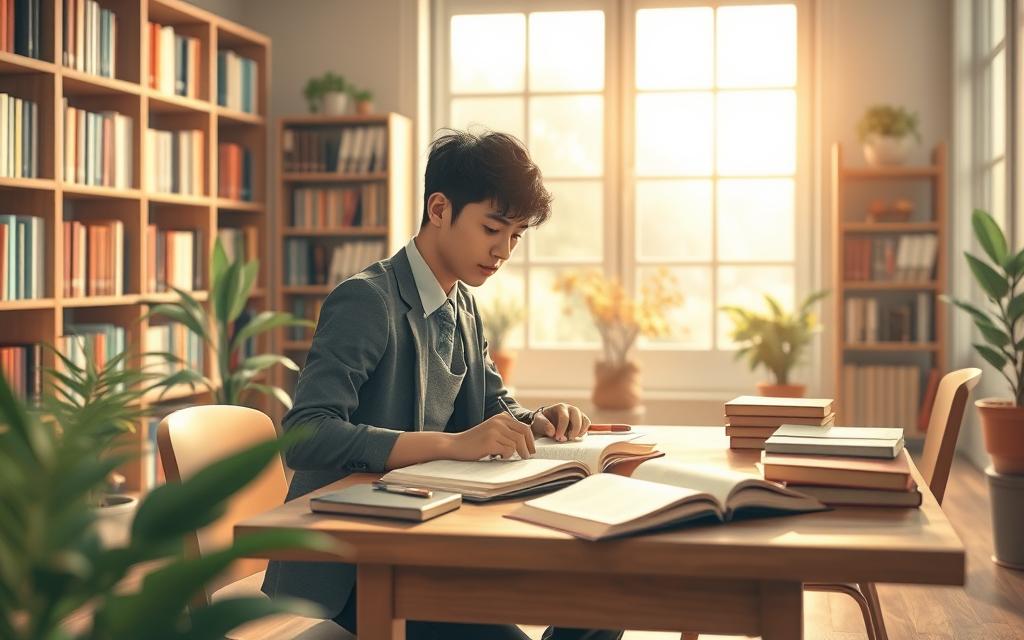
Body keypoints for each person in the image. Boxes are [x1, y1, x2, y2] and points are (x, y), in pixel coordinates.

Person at [262, 129, 622, 640]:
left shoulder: (462, 302)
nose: (503, 250)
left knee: (608, 593)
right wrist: (450, 445)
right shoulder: (367, 300)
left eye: (516, 236)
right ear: (438, 208)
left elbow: (492, 403)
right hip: (357, 563)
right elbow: (306, 433)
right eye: (492, 228)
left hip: (429, 535)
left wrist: (537, 419)